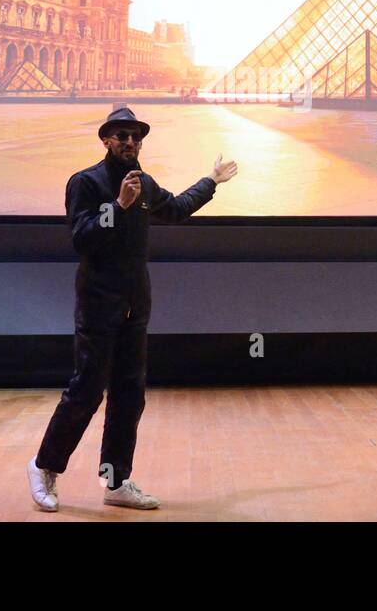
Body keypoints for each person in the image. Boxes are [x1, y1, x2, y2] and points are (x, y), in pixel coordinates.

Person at [26, 105, 238, 511]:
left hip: (135, 304)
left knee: (129, 394)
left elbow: (174, 208)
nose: (129, 142)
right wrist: (119, 208)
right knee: (86, 391)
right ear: (106, 140)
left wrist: (210, 181)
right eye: (121, 136)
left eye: (135, 136)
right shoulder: (85, 183)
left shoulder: (145, 183)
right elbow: (82, 240)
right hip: (98, 304)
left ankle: (116, 480)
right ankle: (43, 467)